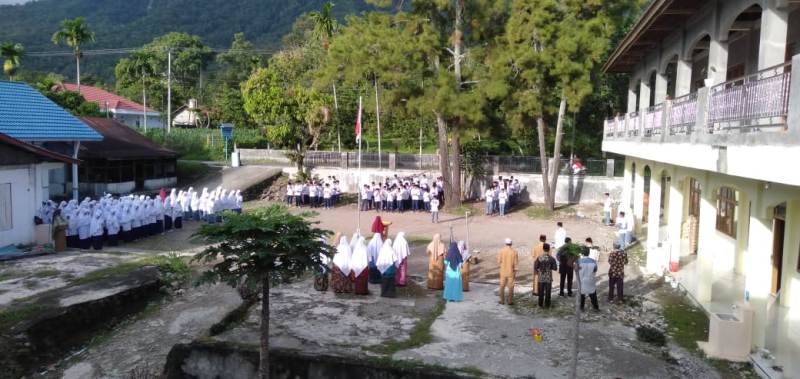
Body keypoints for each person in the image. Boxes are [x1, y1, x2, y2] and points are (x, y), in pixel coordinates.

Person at [534, 243, 558, 308]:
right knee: (548, 293)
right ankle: (547, 305)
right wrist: (550, 267)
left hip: (541, 278)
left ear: (543, 249)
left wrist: (539, 270)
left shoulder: (539, 258)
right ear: (548, 249)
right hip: (548, 278)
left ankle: (540, 305)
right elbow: (555, 268)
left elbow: (535, 267)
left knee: (541, 292)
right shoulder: (551, 259)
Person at [577, 245, 599, 311]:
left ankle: (581, 307)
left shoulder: (578, 261)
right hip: (590, 279)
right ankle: (595, 307)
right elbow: (595, 270)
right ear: (589, 253)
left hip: (581, 280)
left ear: (581, 253)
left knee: (581, 294)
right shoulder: (593, 261)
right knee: (593, 294)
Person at [497, 238, 519, 305]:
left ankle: (502, 300)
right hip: (511, 271)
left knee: (502, 286)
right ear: (511, 243)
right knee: (511, 287)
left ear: (505, 243)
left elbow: (499, 261)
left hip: (503, 271)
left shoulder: (501, 251)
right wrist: (515, 271)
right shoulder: (514, 252)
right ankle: (510, 301)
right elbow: (516, 263)